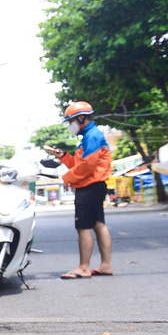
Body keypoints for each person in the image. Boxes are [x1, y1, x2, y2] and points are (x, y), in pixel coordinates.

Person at [43, 101, 113, 279]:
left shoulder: (92, 136)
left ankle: (84, 268)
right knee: (98, 224)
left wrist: (64, 178)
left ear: (81, 118)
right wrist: (62, 156)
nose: (70, 125)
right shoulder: (90, 136)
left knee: (83, 227)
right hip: (94, 185)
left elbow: (87, 167)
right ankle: (105, 265)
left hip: (89, 186)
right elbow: (78, 164)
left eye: (71, 121)